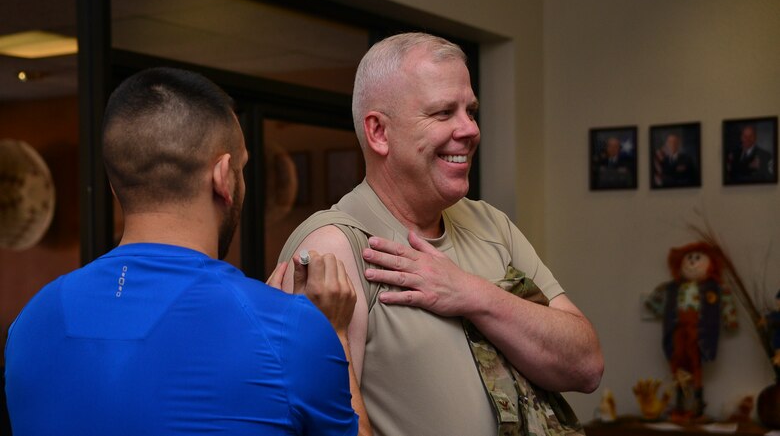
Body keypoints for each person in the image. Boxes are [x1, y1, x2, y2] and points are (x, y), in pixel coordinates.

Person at [4, 67, 370, 436]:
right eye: (241, 168)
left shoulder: (29, 323)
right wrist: (334, 333)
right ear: (223, 177)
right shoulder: (287, 330)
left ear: (115, 187)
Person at [279, 33, 604, 436]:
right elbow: (318, 424)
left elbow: (586, 366)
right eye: (443, 113)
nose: (470, 129)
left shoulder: (491, 224)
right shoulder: (336, 245)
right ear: (379, 132)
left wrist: (472, 294)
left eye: (471, 110)